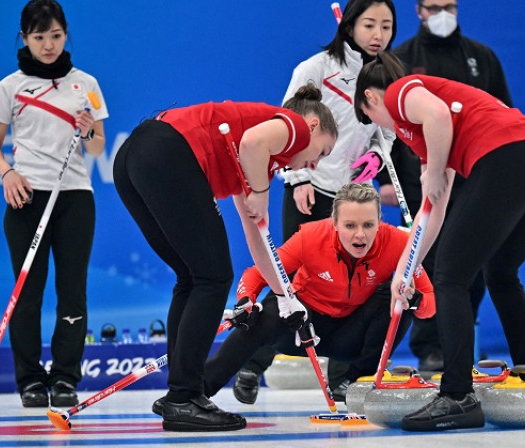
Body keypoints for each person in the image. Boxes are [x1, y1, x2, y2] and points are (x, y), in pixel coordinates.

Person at [354, 52, 525, 431]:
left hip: (508, 159)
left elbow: (434, 117)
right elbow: (432, 207)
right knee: (501, 272)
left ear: (370, 97)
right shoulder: (429, 136)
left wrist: (434, 171)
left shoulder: (400, 93)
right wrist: (407, 265)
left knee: (451, 276)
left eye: (369, 118)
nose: (379, 126)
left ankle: (456, 396)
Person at [113, 85, 337, 432]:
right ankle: (184, 396)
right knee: (213, 278)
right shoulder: (292, 126)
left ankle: (182, 395)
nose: (316, 164)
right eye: (323, 152)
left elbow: (257, 238)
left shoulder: (258, 164)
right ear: (313, 126)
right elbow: (253, 143)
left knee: (192, 277)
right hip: (165, 151)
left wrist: (286, 298)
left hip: (132, 157)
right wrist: (261, 195)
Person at [233, 0, 398, 403]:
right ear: (350, 25)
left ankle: (343, 377)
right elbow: (286, 121)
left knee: (357, 287)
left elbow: (390, 129)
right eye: (369, 25)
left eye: (387, 26)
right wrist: (300, 176)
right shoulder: (316, 68)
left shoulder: (388, 73)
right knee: (292, 284)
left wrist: (378, 156)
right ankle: (252, 365)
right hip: (310, 189)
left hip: (355, 198)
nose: (378, 35)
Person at [202, 183, 435, 405]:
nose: (360, 235)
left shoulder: (400, 242)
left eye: (368, 225)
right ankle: (198, 391)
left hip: (351, 337)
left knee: (396, 300)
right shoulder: (311, 237)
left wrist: (413, 300)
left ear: (379, 222)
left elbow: (430, 306)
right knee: (269, 309)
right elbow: (257, 274)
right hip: (303, 329)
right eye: (350, 225)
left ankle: (359, 383)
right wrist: (246, 301)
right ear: (334, 223)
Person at [375, 0, 513, 372]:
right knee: (431, 261)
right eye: (434, 7)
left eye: (449, 5)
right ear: (419, 11)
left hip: (475, 177)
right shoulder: (401, 58)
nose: (442, 13)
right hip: (423, 175)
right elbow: (385, 127)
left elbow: (503, 113)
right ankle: (430, 347)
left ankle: (460, 341)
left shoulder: (481, 58)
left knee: (475, 261)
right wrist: (387, 181)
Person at [0, 0, 108, 409]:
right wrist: (8, 173)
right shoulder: (9, 87)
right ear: (24, 39)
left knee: (72, 291)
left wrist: (90, 131)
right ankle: (30, 380)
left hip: (74, 199)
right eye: (39, 38)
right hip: (26, 197)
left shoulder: (86, 83)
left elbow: (98, 148)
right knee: (27, 293)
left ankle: (65, 377)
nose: (48, 45)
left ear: (66, 33)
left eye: (55, 36)